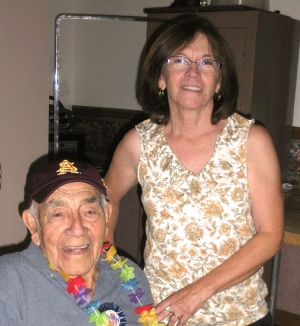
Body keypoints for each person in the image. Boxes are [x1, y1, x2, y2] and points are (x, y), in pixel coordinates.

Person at [104, 15, 284, 326]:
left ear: (220, 80)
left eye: (206, 62)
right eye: (179, 60)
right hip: (163, 315)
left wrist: (197, 293)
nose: (192, 72)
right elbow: (104, 200)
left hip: (239, 316)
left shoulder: (251, 141)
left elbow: (270, 235)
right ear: (161, 77)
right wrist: (109, 266)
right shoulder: (139, 143)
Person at [0, 159, 155, 326]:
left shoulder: (131, 276)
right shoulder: (9, 281)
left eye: (89, 211)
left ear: (107, 216)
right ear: (33, 224)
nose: (77, 229)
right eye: (58, 214)